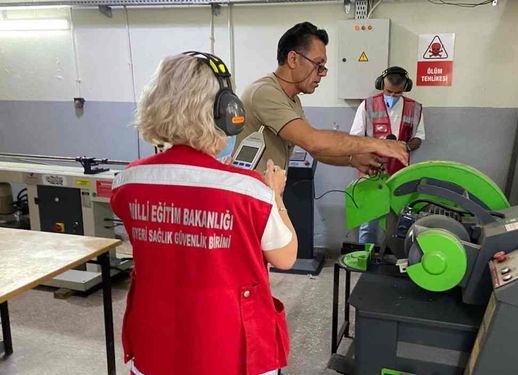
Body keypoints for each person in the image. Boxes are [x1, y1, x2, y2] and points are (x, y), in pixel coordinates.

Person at [110, 52, 297, 375]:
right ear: (226, 110)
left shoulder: (127, 181)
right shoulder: (250, 191)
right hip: (232, 352)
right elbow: (285, 257)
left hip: (156, 347)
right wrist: (276, 195)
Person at [234, 21, 409, 174]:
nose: (322, 74)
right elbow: (313, 141)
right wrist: (378, 144)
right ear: (293, 59)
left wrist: (351, 160)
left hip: (265, 195)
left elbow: (317, 151)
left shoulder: (291, 99)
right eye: (318, 65)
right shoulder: (264, 93)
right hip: (247, 199)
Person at [349, 66, 425, 244]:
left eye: (397, 93)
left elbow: (419, 137)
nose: (392, 96)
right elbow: (355, 138)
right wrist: (376, 146)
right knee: (370, 218)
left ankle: (397, 255)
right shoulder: (367, 105)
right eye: (389, 92)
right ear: (381, 85)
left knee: (401, 217)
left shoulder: (415, 108)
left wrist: (404, 146)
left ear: (406, 88)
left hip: (401, 172)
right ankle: (365, 254)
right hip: (372, 170)